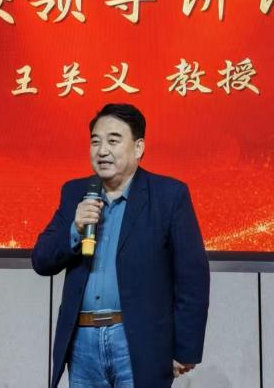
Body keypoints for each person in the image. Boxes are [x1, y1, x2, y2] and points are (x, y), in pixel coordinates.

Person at [32, 103, 210, 388]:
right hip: (82, 342)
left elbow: (192, 278)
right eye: (95, 142)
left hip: (137, 342)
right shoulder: (75, 193)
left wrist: (185, 349)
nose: (102, 150)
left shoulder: (169, 196)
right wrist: (75, 229)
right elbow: (41, 260)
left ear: (138, 148)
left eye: (113, 141)